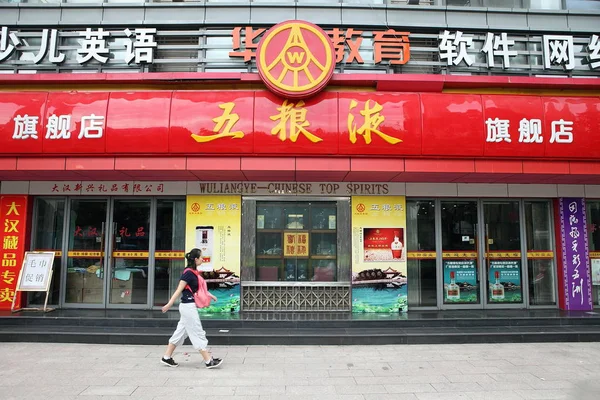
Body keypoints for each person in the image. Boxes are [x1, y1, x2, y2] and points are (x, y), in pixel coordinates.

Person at [160, 248, 223, 369]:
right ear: (195, 259)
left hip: (188, 306)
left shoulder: (194, 272)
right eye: (201, 257)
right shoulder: (188, 273)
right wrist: (169, 304)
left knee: (180, 332)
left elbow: (197, 290)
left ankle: (166, 357)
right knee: (197, 331)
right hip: (188, 307)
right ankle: (208, 360)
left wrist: (210, 295)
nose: (202, 259)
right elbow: (179, 289)